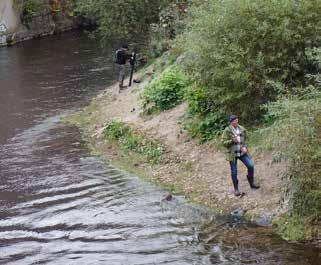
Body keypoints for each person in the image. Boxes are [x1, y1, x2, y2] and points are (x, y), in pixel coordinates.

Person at [221, 115, 260, 196]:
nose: (236, 122)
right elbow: (223, 143)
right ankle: (236, 189)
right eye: (235, 121)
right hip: (233, 154)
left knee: (251, 166)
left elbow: (247, 138)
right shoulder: (227, 130)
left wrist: (245, 146)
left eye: (237, 120)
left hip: (242, 153)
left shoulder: (242, 128)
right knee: (234, 172)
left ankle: (252, 183)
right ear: (231, 122)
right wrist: (231, 141)